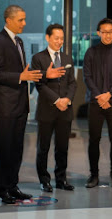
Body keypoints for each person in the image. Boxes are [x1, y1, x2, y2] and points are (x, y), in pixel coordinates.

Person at [0, 5, 65, 204]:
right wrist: (20, 76)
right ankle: (1, 191)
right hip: (5, 106)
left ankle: (13, 187)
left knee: (16, 150)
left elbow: (26, 73)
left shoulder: (19, 41)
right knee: (4, 150)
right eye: (21, 20)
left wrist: (44, 75)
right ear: (9, 20)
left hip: (20, 105)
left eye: (24, 19)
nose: (24, 23)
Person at [31, 23, 77, 192]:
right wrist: (57, 100)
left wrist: (67, 100)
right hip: (47, 110)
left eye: (62, 39)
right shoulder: (38, 58)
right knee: (43, 148)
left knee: (62, 147)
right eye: (56, 38)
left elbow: (72, 83)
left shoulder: (67, 58)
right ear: (48, 38)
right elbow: (39, 85)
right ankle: (44, 180)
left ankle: (61, 179)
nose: (59, 41)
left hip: (65, 110)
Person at [83, 18, 112, 189]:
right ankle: (93, 175)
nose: (107, 35)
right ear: (98, 33)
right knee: (94, 140)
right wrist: (99, 96)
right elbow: (87, 77)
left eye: (110, 31)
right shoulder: (90, 52)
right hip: (95, 103)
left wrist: (109, 94)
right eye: (104, 31)